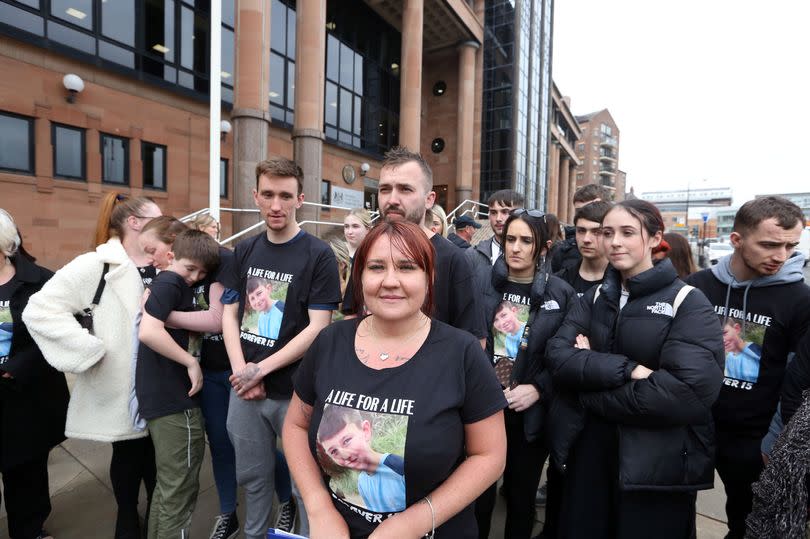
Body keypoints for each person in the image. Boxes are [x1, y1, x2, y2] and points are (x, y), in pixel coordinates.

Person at [283, 220, 507, 538]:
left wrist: (411, 524)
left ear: (429, 277)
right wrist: (318, 507)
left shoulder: (462, 352)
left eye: (406, 267)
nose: (390, 281)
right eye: (376, 267)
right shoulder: (330, 341)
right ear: (359, 277)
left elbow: (490, 456)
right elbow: (295, 425)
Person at [546, 199, 724, 539]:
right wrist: (628, 369)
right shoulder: (594, 296)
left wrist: (588, 394)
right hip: (590, 456)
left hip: (655, 466)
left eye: (627, 233)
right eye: (607, 232)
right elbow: (558, 357)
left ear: (655, 238)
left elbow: (684, 394)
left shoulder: (686, 301)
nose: (614, 242)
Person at [24, 192, 162, 539]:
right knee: (129, 455)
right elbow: (39, 309)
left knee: (163, 463)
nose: (165, 226)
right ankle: (128, 519)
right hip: (122, 384)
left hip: (166, 380)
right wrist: (87, 350)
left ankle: (163, 524)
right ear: (135, 223)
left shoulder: (167, 259)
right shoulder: (97, 265)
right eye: (157, 219)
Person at [220, 156, 342, 539]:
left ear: (300, 199)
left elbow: (318, 327)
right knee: (252, 480)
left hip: (294, 391)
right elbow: (230, 314)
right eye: (268, 194)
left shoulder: (318, 255)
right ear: (255, 196)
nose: (276, 205)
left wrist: (262, 370)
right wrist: (243, 372)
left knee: (304, 486)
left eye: (285, 196)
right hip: (245, 390)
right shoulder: (244, 250)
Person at [685, 196, 810, 539]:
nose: (781, 256)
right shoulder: (697, 286)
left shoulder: (799, 299)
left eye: (790, 246)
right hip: (691, 423)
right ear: (737, 240)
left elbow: (798, 376)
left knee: (745, 519)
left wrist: (774, 441)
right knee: (674, 509)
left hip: (752, 437)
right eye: (770, 245)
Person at [474, 210, 575, 539]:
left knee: (520, 498)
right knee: (479, 497)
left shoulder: (560, 294)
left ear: (543, 247)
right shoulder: (483, 284)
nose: (515, 247)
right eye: (510, 239)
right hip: (483, 408)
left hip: (528, 415)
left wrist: (539, 389)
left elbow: (566, 356)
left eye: (525, 241)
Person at [343, 147, 486, 344]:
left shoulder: (454, 260)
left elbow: (475, 340)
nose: (392, 200)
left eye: (405, 189)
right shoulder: (367, 251)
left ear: (429, 200)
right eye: (385, 189)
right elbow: (352, 315)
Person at [136, 229, 220, 538]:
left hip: (162, 399)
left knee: (167, 488)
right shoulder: (170, 281)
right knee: (180, 492)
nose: (195, 277)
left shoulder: (165, 282)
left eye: (202, 272)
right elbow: (148, 331)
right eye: (190, 268)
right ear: (171, 257)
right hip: (175, 401)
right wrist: (190, 361)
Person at [0, 210, 69, 539]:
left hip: (25, 397)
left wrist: (17, 367)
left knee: (26, 474)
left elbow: (61, 332)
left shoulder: (41, 281)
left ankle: (28, 531)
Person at [316, 405, 406, 513]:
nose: (345, 455)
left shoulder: (399, 468)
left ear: (366, 430)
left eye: (347, 441)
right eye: (334, 451)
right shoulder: (362, 482)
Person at [555, 201, 612, 297]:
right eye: (581, 231)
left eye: (596, 232)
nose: (586, 239)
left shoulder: (624, 282)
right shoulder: (559, 281)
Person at [549, 183, 609, 273]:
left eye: (591, 208)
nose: (584, 214)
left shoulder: (620, 253)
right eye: (579, 211)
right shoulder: (562, 251)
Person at [467, 189, 525, 271]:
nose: (498, 219)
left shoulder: (533, 254)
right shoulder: (472, 255)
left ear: (520, 214)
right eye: (493, 213)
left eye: (505, 212)